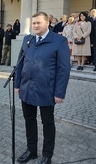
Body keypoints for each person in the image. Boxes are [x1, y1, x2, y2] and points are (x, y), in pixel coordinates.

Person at [15, 12, 70, 164]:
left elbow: (64, 69)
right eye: (33, 23)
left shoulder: (59, 41)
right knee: (29, 120)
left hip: (47, 90)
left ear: (47, 23)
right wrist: (17, 84)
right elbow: (20, 63)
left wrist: (59, 93)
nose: (35, 26)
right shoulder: (28, 39)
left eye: (38, 23)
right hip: (27, 87)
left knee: (47, 123)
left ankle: (47, 155)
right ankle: (31, 150)